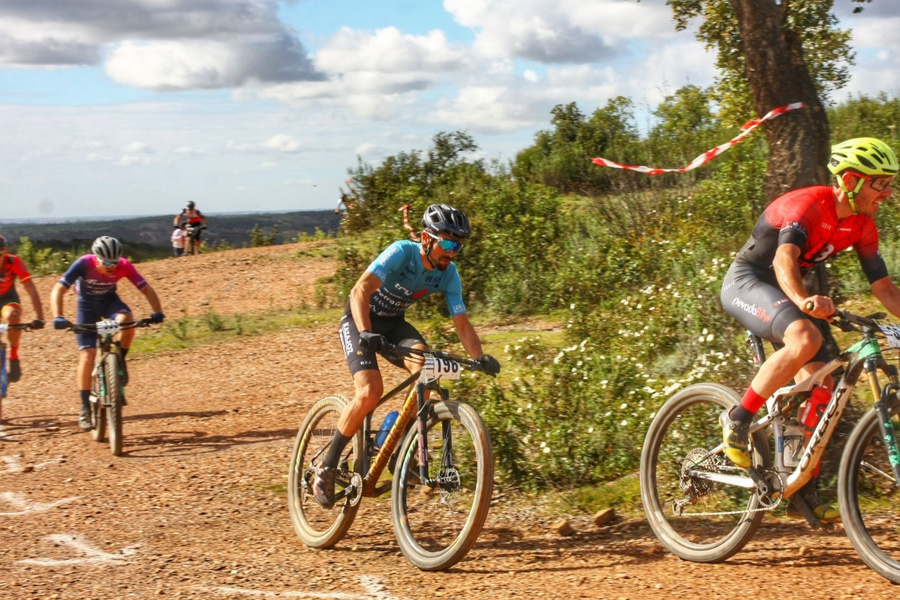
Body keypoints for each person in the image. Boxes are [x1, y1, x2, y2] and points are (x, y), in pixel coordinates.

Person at [719, 137, 899, 523]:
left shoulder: (863, 225)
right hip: (749, 282)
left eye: (889, 183)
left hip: (789, 294)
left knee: (825, 387)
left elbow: (883, 288)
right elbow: (785, 258)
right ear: (850, 181)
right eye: (880, 183)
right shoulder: (809, 205)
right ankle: (737, 418)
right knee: (806, 336)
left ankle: (799, 485)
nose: (887, 192)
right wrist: (804, 302)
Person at [312, 204, 501, 508]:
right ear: (427, 239)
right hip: (361, 319)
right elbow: (360, 290)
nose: (452, 252)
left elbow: (462, 325)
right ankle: (327, 467)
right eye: (448, 244)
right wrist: (365, 332)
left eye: (459, 246)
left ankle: (395, 441)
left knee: (427, 368)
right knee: (370, 390)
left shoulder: (449, 274)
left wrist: (480, 357)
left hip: (394, 323)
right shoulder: (402, 252)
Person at [50, 236, 165, 430]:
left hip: (110, 301)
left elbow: (146, 288)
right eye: (106, 263)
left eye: (115, 262)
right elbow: (58, 289)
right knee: (87, 356)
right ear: (96, 258)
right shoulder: (84, 263)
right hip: (86, 306)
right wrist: (58, 316)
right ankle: (85, 408)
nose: (112, 267)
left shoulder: (125, 265)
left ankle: (119, 361)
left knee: (126, 321)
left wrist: (157, 311)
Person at [0, 235, 45, 382]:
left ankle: (13, 354)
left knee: (13, 318)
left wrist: (40, 317)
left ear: (5, 251)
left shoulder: (13, 261)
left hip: (7, 298)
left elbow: (31, 288)